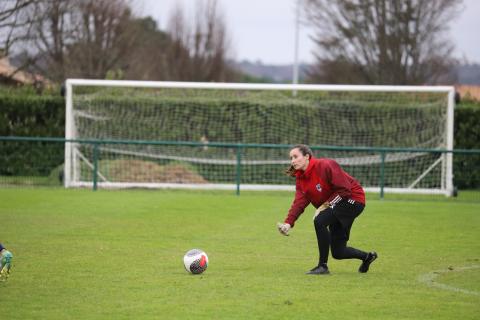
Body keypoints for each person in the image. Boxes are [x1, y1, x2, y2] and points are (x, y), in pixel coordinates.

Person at [277, 144, 377, 275]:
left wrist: (325, 206)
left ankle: (322, 266)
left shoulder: (326, 165)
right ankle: (367, 257)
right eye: (291, 158)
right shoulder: (300, 178)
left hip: (353, 200)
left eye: (295, 157)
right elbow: (299, 203)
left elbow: (345, 190)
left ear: (307, 156)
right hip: (339, 203)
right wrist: (288, 223)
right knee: (338, 252)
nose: (292, 161)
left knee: (320, 220)